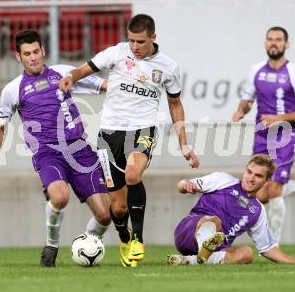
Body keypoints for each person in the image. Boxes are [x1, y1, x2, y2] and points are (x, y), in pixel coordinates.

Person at [58, 13, 200, 267]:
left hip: (142, 129)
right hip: (109, 133)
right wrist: (71, 78)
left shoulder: (169, 67)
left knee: (134, 175)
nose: (135, 47)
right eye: (132, 40)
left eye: (141, 42)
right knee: (119, 208)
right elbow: (84, 69)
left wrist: (184, 142)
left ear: (153, 38)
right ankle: (124, 238)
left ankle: (138, 239)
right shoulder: (117, 53)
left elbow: (175, 104)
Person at [0, 29, 111, 267]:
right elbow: (0, 129)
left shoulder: (63, 73)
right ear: (18, 57)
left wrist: (133, 88)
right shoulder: (12, 89)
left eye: (36, 51)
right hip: (48, 153)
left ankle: (87, 247)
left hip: (79, 148)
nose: (33, 57)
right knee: (59, 197)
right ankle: (51, 245)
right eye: (27, 53)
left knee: (104, 215)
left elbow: (103, 85)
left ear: (43, 51)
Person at [231, 26, 295, 244]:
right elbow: (247, 99)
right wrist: (241, 110)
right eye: (270, 39)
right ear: (265, 43)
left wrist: (278, 119)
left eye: (278, 39)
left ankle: (272, 244)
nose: (273, 43)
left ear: (287, 44)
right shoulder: (256, 70)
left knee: (275, 188)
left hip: (286, 136)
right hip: (262, 136)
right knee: (260, 194)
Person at [168, 154, 295, 266]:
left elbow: (268, 249)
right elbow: (182, 184)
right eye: (249, 172)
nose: (251, 178)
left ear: (266, 181)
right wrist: (185, 185)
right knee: (215, 222)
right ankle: (204, 252)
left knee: (247, 254)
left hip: (217, 247)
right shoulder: (223, 180)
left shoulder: (257, 211)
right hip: (188, 232)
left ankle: (190, 261)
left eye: (257, 175)